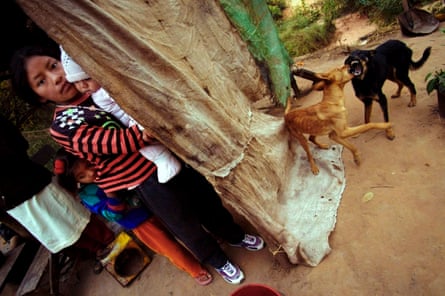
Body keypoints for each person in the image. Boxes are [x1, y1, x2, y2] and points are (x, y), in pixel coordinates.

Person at [10, 44, 264, 285]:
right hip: (144, 179)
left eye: (53, 65)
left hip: (171, 154)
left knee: (205, 198)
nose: (55, 78)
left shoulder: (98, 84)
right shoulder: (62, 125)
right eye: (41, 81)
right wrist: (140, 135)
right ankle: (216, 259)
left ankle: (233, 234)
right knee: (183, 222)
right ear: (38, 98)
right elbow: (103, 142)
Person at [53, 148, 213, 286]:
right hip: (138, 222)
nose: (90, 173)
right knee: (170, 248)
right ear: (75, 182)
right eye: (82, 176)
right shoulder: (88, 195)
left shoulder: (106, 165)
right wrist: (110, 192)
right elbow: (112, 214)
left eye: (89, 165)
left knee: (185, 225)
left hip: (153, 204)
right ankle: (195, 270)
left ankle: (209, 249)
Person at [0, 114, 114, 261]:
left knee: (76, 216)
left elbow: (18, 143)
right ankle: (98, 251)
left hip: (34, 183)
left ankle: (109, 240)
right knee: (58, 231)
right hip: (13, 201)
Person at [60, 46, 181, 184]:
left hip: (138, 113)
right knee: (145, 147)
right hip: (130, 124)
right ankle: (163, 159)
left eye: (87, 78)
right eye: (76, 82)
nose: (82, 86)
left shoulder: (108, 86)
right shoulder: (94, 96)